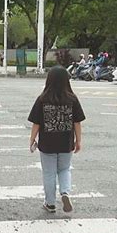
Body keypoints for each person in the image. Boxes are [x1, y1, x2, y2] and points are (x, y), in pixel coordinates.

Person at [28, 66, 86, 213]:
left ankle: (50, 203)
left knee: (49, 173)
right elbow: (77, 123)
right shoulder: (72, 99)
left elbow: (36, 123)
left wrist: (32, 139)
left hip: (47, 143)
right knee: (65, 169)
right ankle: (65, 192)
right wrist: (78, 141)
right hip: (66, 142)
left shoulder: (42, 99)